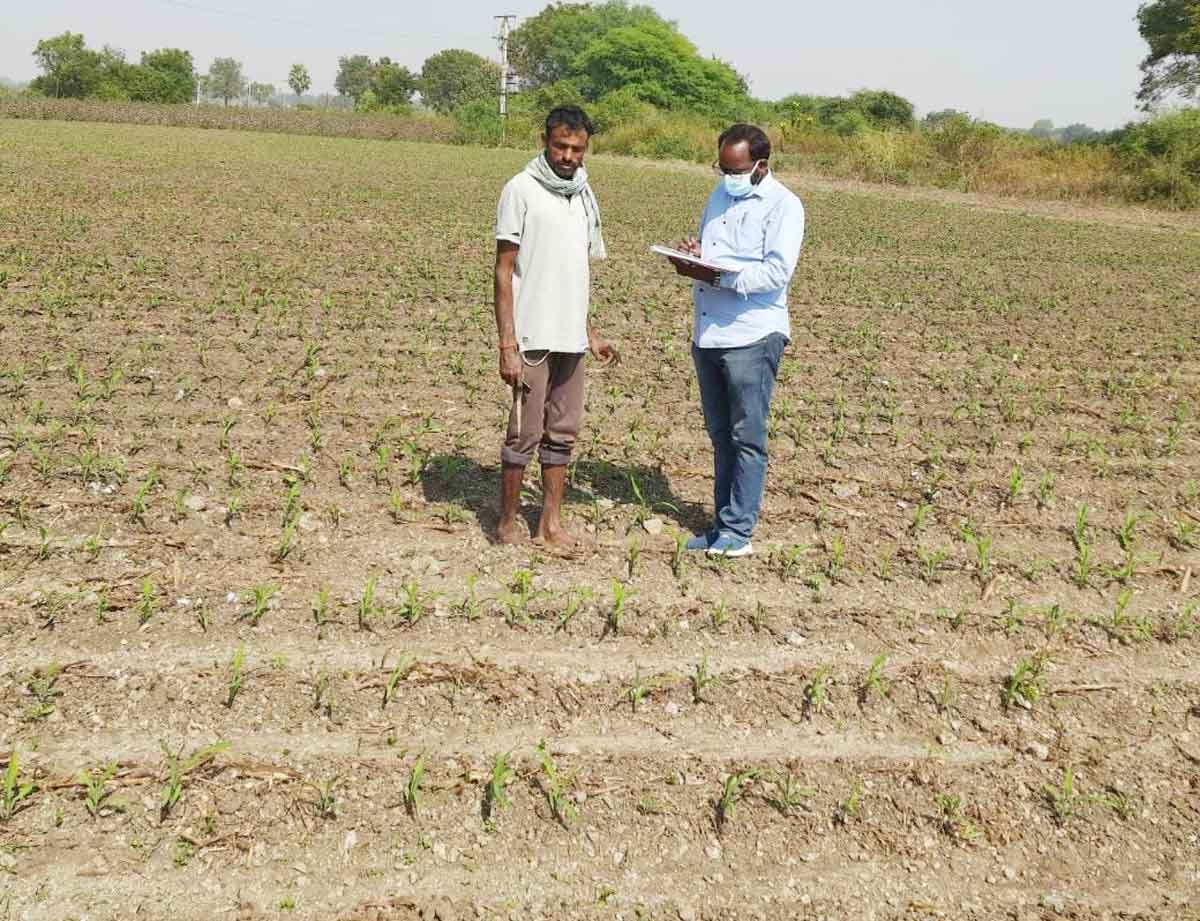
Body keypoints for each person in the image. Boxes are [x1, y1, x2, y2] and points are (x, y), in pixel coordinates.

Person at [668, 124, 805, 558]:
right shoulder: (718, 196)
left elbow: (776, 272)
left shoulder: (784, 206)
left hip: (753, 333)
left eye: (737, 169)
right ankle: (720, 524)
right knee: (720, 433)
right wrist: (693, 255)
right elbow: (714, 251)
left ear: (761, 165)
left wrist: (720, 275)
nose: (729, 176)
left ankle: (738, 531)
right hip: (709, 331)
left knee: (747, 436)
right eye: (723, 167)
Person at [493, 106, 619, 546]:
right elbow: (503, 272)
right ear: (544, 142)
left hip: (571, 338)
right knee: (524, 434)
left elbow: (574, 273)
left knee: (562, 434)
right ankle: (507, 523)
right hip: (531, 337)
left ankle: (550, 524)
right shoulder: (520, 189)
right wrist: (507, 343)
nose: (568, 156)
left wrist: (590, 333)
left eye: (577, 149)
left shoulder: (583, 195)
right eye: (560, 146)